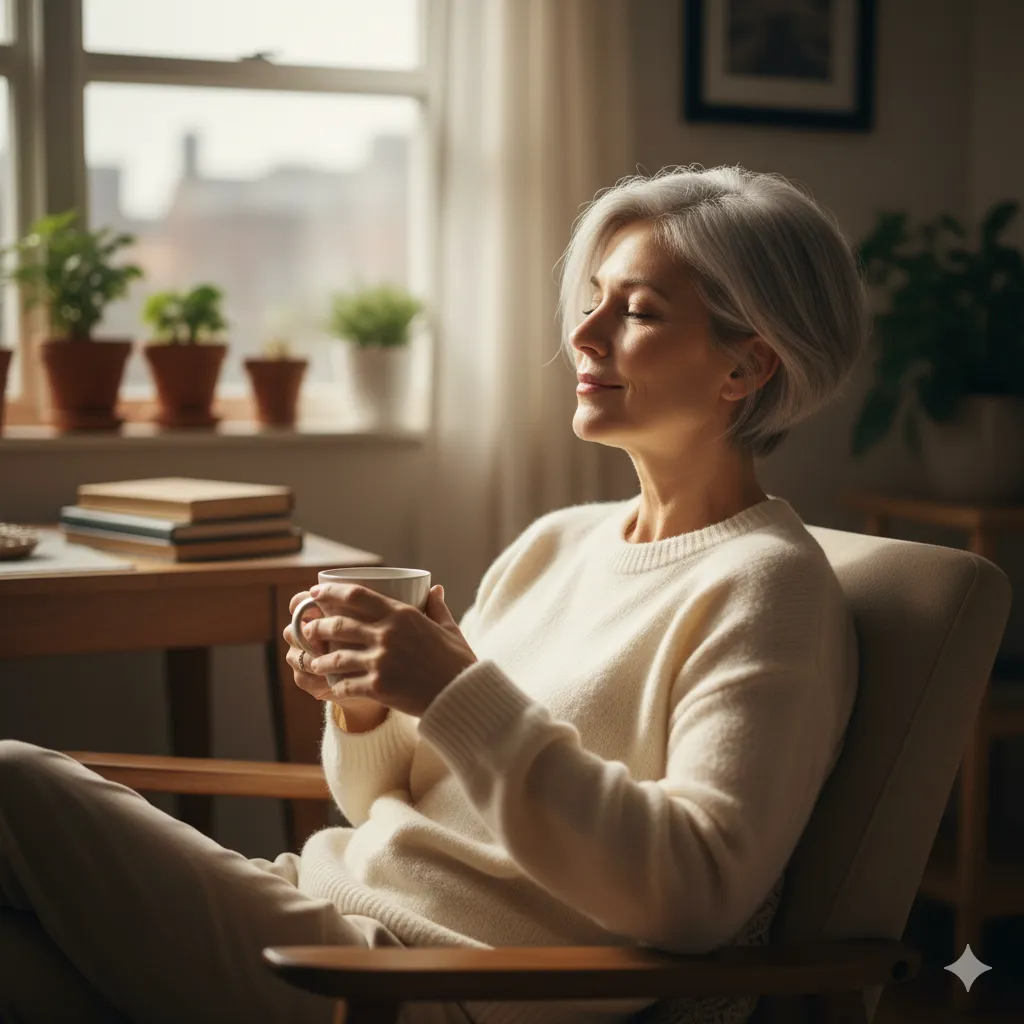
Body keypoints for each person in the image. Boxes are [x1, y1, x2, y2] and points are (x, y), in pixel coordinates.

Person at [0, 164, 867, 1024]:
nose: (585, 334)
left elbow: (696, 893)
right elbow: (386, 797)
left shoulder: (767, 586)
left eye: (637, 312)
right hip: (319, 908)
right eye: (593, 299)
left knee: (14, 781)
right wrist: (371, 707)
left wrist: (453, 689)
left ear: (744, 368)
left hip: (416, 989)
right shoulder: (555, 544)